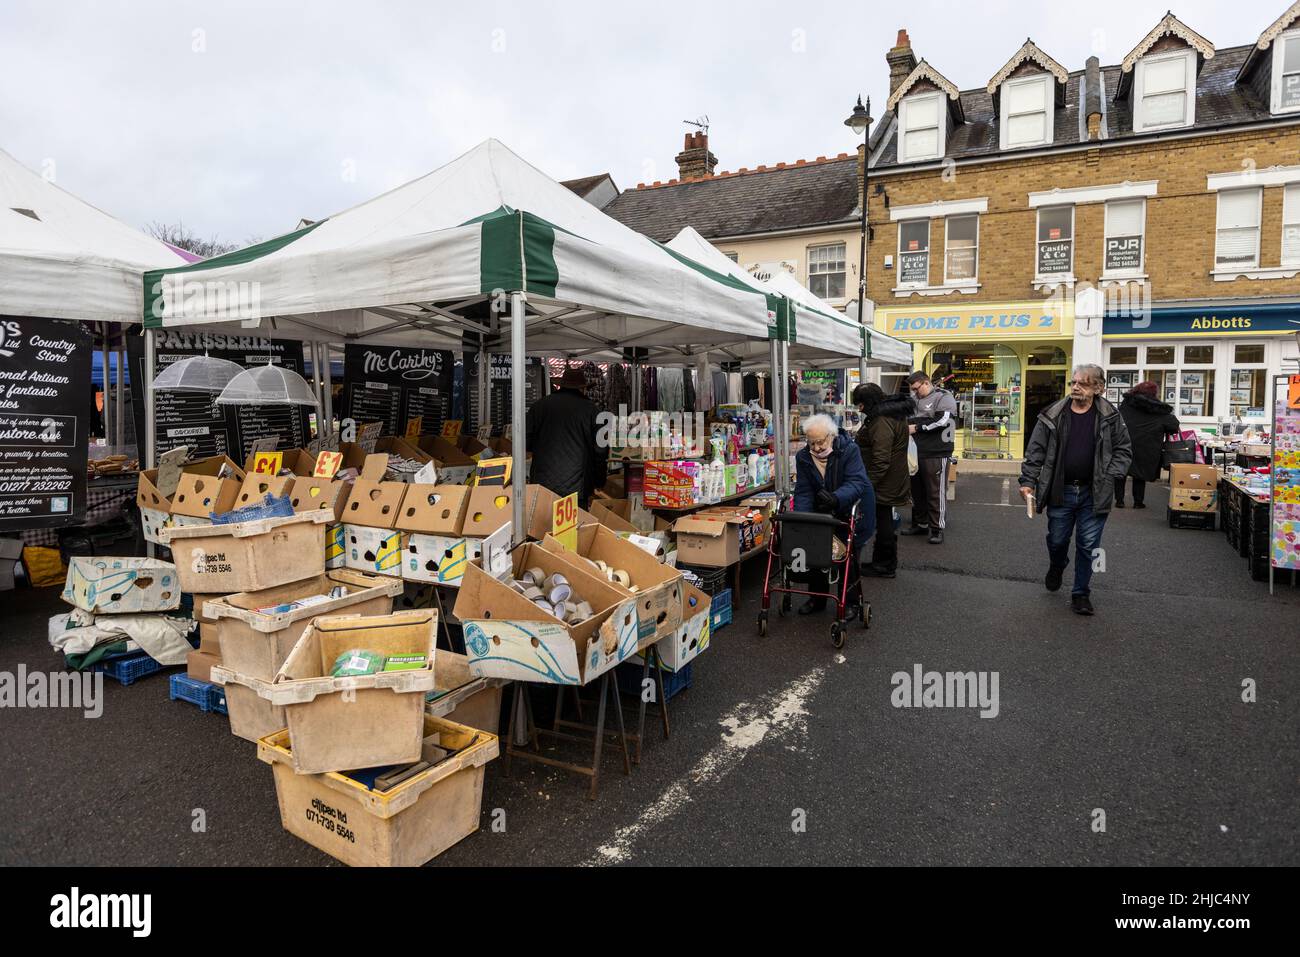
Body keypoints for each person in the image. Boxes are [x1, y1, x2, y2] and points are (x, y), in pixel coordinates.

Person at [1018, 364, 1132, 616]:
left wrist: (1109, 474)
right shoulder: (1053, 414)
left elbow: (1124, 450)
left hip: (1095, 492)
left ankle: (1081, 593)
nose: (1076, 387)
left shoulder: (1111, 416)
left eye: (1083, 383)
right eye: (1073, 382)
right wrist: (1027, 480)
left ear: (1098, 388)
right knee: (1057, 539)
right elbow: (1035, 450)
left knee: (1088, 545)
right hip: (1061, 490)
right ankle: (1057, 564)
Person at [792, 413, 876, 615]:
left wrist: (836, 498)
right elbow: (803, 491)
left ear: (831, 436)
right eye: (811, 443)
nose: (817, 448)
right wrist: (804, 519)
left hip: (847, 508)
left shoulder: (849, 450)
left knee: (848, 555)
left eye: (820, 442)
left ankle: (851, 603)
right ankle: (817, 599)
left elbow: (857, 482)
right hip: (820, 513)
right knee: (816, 552)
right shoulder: (803, 457)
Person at [851, 382, 912, 578]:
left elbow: (881, 459)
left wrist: (866, 485)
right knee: (884, 518)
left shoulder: (881, 420)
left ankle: (884, 565)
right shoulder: (890, 413)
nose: (859, 409)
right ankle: (883, 562)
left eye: (860, 405)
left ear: (867, 402)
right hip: (892, 476)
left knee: (884, 519)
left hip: (886, 479)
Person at [525, 365, 607, 509]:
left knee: (541, 527)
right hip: (577, 487)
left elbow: (526, 442)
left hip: (542, 483)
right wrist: (599, 481)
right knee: (573, 529)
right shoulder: (593, 410)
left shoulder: (538, 406)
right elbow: (601, 451)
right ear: (582, 388)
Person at [902, 371, 958, 544]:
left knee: (935, 492)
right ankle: (921, 523)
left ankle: (937, 528)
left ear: (925, 383)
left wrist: (917, 428)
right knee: (917, 490)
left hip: (937, 451)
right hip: (915, 451)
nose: (915, 392)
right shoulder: (915, 399)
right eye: (912, 390)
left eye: (916, 388)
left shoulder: (944, 397)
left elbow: (943, 421)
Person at [1116, 381, 1180, 509]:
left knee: (1121, 472)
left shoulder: (1126, 404)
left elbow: (1117, 420)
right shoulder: (1158, 409)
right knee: (1140, 473)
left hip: (1124, 442)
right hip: (1146, 446)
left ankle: (1119, 500)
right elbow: (1173, 426)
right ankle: (1138, 502)